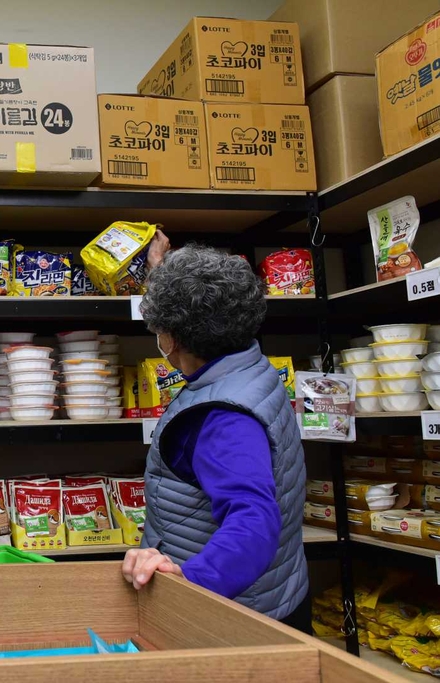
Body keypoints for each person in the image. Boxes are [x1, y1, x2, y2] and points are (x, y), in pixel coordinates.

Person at [120, 240, 310, 632]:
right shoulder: (250, 369)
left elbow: (254, 520)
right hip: (277, 596)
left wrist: (190, 579)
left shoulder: (224, 417)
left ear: (170, 340)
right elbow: (198, 305)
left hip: (235, 621)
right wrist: (161, 272)